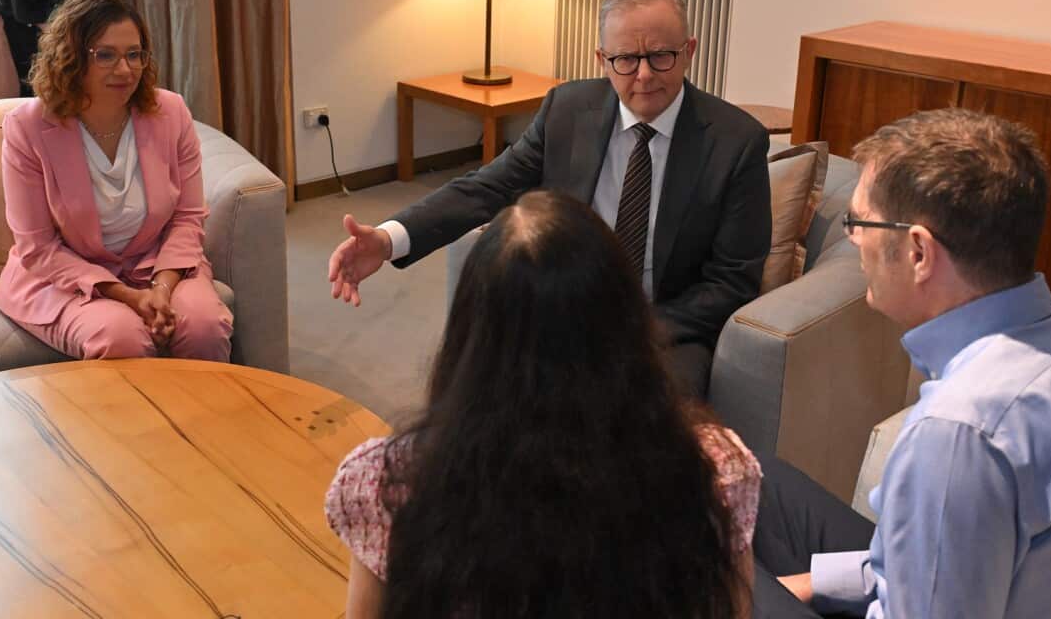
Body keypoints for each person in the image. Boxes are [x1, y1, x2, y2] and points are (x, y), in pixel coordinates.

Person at [752, 108, 1051, 618]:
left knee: (710, 584)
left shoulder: (960, 431)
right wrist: (812, 584)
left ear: (918, 251)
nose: (853, 240)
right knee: (757, 477)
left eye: (859, 223)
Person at [325, 190, 762, 619]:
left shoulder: (385, 485)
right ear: (627, 324)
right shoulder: (720, 469)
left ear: (468, 333)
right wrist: (388, 239)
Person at [328, 0, 771, 397]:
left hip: (667, 327)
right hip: (562, 308)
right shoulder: (568, 109)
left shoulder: (735, 142)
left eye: (661, 56)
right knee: (475, 385)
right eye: (625, 60)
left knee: (646, 421)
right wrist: (388, 240)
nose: (643, 76)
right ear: (602, 58)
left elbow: (732, 281)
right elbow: (485, 189)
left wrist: (639, 329)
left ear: (689, 51)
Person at [0, 0, 233, 361]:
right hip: (66, 277)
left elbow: (187, 218)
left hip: (155, 263)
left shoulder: (170, 112)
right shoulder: (27, 127)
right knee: (121, 339)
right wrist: (128, 297)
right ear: (69, 59)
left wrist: (161, 288)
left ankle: (199, 419)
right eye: (105, 55)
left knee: (204, 327)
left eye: (134, 54)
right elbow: (37, 248)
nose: (125, 69)